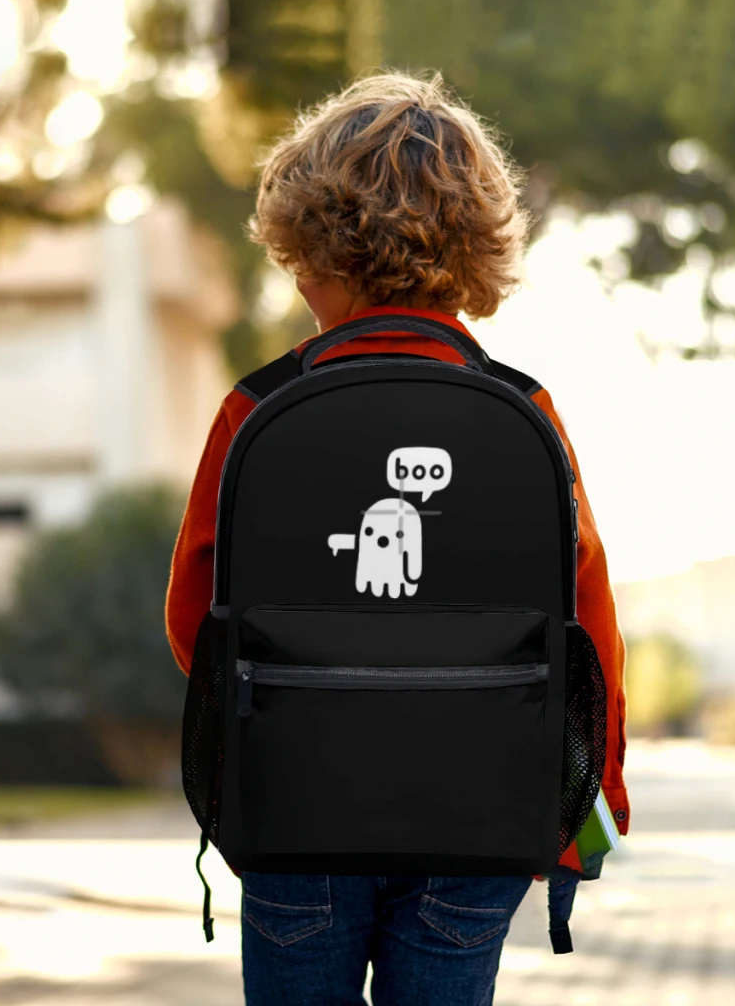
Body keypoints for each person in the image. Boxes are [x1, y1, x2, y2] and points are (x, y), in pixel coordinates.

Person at [166, 70, 629, 1006]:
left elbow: (192, 622)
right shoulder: (524, 410)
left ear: (310, 250)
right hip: (477, 823)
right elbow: (587, 621)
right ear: (478, 249)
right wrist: (588, 801)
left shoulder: (255, 408)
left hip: (298, 818)